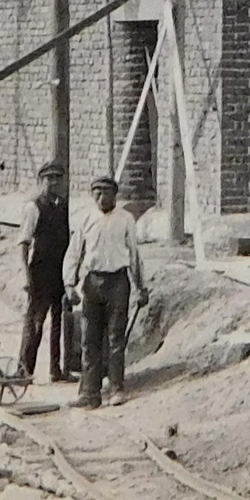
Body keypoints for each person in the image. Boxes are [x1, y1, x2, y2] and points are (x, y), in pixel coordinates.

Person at [64, 174, 147, 408]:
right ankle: (89, 392)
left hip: (118, 282)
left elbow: (134, 255)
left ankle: (116, 388)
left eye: (106, 193)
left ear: (115, 195)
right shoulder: (86, 219)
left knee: (115, 337)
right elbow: (74, 253)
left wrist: (141, 287)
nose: (102, 198)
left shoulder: (125, 219)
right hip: (92, 283)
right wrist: (69, 284)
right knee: (89, 339)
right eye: (97, 193)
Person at [16, 161, 79, 383]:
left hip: (60, 272)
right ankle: (24, 371)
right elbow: (23, 243)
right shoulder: (33, 207)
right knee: (35, 321)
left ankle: (57, 370)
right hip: (40, 272)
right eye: (49, 178)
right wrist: (25, 275)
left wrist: (71, 274)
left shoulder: (63, 206)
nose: (54, 183)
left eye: (58, 178)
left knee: (59, 322)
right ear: (41, 181)